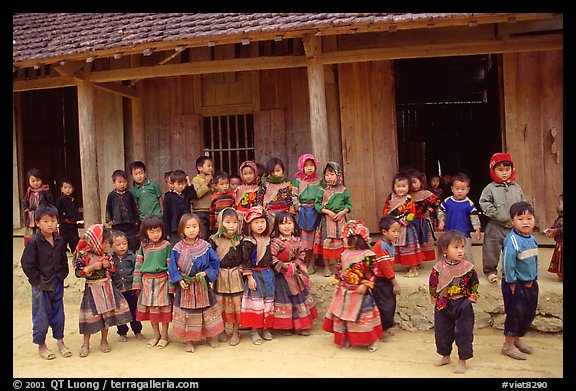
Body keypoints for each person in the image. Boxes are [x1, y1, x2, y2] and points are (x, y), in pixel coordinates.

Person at [20, 205, 72, 360]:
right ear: (37, 223)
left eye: (53, 220)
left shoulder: (60, 240)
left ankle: (60, 342)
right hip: (41, 285)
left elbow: (63, 260)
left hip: (56, 282)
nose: (50, 224)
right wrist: (37, 281)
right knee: (41, 315)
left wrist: (63, 274)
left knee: (59, 314)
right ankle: (41, 345)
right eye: (45, 221)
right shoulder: (34, 242)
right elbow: (27, 264)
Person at [322, 219, 382, 352]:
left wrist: (365, 285)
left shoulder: (369, 255)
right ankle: (348, 337)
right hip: (345, 290)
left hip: (360, 292)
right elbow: (340, 269)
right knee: (344, 316)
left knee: (362, 317)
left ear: (359, 239)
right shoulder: (344, 254)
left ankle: (371, 340)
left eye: (347, 238)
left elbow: (373, 272)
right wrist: (338, 280)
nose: (344, 240)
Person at [168, 213, 225, 352]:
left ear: (199, 228)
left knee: (207, 312)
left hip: (202, 285)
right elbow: (172, 266)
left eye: (194, 226)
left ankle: (210, 337)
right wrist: (178, 279)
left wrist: (206, 273)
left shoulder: (205, 246)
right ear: (182, 230)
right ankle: (189, 340)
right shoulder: (177, 248)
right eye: (188, 227)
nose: (191, 230)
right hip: (186, 287)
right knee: (188, 314)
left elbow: (214, 262)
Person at [73, 224, 132, 357]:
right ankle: (85, 343)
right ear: (95, 241)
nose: (106, 245)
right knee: (89, 316)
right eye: (104, 242)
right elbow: (78, 273)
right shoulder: (82, 255)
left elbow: (113, 269)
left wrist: (109, 266)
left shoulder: (105, 254)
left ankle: (104, 340)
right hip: (91, 289)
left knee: (106, 314)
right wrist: (92, 267)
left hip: (106, 287)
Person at [429, 230, 479, 374]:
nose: (460, 251)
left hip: (462, 304)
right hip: (443, 304)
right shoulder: (438, 267)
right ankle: (445, 356)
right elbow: (433, 283)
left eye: (462, 247)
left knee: (464, 332)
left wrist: (472, 297)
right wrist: (434, 297)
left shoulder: (468, 267)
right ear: (445, 249)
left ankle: (462, 360)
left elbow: (474, 283)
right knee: (442, 331)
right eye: (456, 248)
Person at [479, 152, 526, 283]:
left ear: (512, 169)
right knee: (491, 250)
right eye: (500, 170)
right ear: (493, 170)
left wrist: (522, 218)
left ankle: (508, 271)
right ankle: (490, 271)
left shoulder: (516, 188)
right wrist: (495, 213)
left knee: (512, 250)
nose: (504, 173)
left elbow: (523, 203)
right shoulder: (490, 188)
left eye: (507, 169)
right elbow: (484, 202)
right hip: (495, 226)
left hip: (513, 227)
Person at [500, 201, 539, 360]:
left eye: (529, 218)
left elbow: (534, 261)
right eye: (520, 219)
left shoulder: (532, 239)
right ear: (512, 221)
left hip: (530, 283)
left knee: (528, 313)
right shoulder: (512, 240)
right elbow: (508, 264)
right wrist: (512, 283)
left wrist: (534, 278)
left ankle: (516, 339)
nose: (525, 222)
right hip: (515, 284)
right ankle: (508, 345)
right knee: (514, 314)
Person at [270, 210, 317, 336]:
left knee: (298, 299)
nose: (287, 226)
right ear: (277, 226)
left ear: (294, 224)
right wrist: (283, 265)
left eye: (289, 223)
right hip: (281, 277)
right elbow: (272, 258)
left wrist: (295, 263)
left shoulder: (297, 240)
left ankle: (300, 326)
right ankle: (286, 327)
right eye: (283, 224)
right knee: (285, 300)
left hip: (295, 276)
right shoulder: (275, 242)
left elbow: (302, 253)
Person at [133, 215, 173, 349]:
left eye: (158, 231)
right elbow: (138, 266)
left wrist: (171, 286)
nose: (156, 234)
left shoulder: (167, 246)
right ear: (145, 232)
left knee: (164, 309)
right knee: (152, 310)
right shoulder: (143, 247)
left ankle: (165, 335)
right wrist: (137, 285)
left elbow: (171, 266)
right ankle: (156, 335)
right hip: (147, 283)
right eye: (152, 231)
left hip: (162, 281)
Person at [208, 208, 245, 346]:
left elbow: (245, 258)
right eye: (227, 222)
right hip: (220, 277)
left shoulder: (241, 240)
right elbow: (210, 260)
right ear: (220, 223)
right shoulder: (213, 240)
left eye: (235, 222)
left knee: (236, 305)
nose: (231, 226)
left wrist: (242, 268)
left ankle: (236, 332)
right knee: (220, 305)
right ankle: (221, 330)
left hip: (235, 276)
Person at [240, 206, 276, 345]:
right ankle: (255, 331)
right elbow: (246, 261)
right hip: (255, 275)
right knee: (256, 304)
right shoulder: (248, 241)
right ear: (249, 225)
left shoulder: (268, 239)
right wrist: (249, 277)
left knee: (268, 303)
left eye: (262, 221)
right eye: (256, 222)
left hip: (268, 275)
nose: (260, 225)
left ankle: (266, 328)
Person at [382, 171, 424, 277]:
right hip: (393, 226)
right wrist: (390, 221)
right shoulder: (390, 197)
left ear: (408, 187)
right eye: (398, 186)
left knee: (408, 247)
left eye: (404, 186)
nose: (401, 189)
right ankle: (390, 268)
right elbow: (386, 210)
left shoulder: (409, 199)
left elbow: (412, 213)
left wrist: (402, 222)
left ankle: (413, 269)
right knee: (392, 246)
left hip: (406, 227)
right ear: (394, 187)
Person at [314, 162, 352, 277]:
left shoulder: (343, 190)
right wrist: (327, 212)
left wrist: (342, 212)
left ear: (338, 174)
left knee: (340, 244)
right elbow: (317, 205)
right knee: (327, 243)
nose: (329, 177)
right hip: (327, 220)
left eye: (332, 174)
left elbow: (349, 205)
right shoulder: (322, 190)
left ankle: (339, 267)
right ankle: (326, 267)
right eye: (326, 174)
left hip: (340, 220)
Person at [437, 172, 482, 263]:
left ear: (468, 190)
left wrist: (477, 229)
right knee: (449, 252)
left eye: (463, 189)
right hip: (449, 234)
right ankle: (448, 268)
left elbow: (474, 217)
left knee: (466, 253)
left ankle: (469, 271)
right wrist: (441, 220)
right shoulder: (447, 202)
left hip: (464, 234)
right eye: (457, 189)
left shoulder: (469, 204)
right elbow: (441, 211)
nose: (460, 191)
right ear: (452, 189)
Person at [109, 230, 144, 342]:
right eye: (118, 245)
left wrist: (137, 286)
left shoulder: (132, 257)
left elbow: (137, 271)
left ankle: (137, 331)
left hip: (130, 289)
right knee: (120, 313)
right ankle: (122, 332)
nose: (122, 247)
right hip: (118, 291)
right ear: (111, 246)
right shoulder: (110, 259)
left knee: (134, 311)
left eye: (124, 244)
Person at [371, 215, 401, 340]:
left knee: (389, 304)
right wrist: (395, 283)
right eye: (394, 231)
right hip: (380, 281)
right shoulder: (381, 247)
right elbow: (386, 267)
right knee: (384, 305)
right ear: (384, 232)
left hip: (385, 279)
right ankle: (380, 330)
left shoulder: (389, 244)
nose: (397, 234)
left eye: (398, 231)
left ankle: (383, 328)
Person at [292, 153, 322, 274]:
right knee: (305, 239)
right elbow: (294, 195)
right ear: (302, 167)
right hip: (304, 212)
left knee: (315, 238)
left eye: (311, 165)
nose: (309, 168)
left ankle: (313, 263)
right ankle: (305, 261)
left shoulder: (320, 180)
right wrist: (298, 207)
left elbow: (323, 194)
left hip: (316, 211)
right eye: (306, 165)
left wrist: (318, 206)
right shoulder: (298, 181)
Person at [105, 169, 140, 253]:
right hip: (117, 224)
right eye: (119, 182)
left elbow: (134, 207)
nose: (122, 184)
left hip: (130, 224)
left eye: (124, 182)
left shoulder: (129, 195)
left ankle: (131, 257)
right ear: (114, 183)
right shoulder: (111, 195)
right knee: (117, 240)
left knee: (132, 242)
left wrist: (136, 220)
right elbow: (108, 207)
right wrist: (109, 219)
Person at [409, 169, 441, 262]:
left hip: (423, 221)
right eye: (411, 183)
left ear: (421, 181)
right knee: (413, 241)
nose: (413, 185)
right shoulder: (407, 195)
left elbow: (437, 201)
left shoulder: (426, 194)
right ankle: (415, 260)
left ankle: (421, 260)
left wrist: (430, 209)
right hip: (411, 222)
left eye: (415, 182)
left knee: (423, 241)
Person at [162, 169, 197, 247]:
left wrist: (189, 183)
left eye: (183, 183)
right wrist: (167, 233)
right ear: (173, 184)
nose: (181, 186)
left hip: (187, 225)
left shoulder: (186, 193)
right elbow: (166, 215)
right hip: (175, 227)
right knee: (176, 247)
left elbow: (194, 195)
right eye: (178, 184)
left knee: (189, 245)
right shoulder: (168, 196)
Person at [256, 157, 294, 229]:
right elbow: (259, 196)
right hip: (269, 214)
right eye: (273, 172)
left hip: (284, 213)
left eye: (278, 170)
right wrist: (260, 207)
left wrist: (291, 209)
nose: (275, 174)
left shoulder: (287, 185)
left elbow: (291, 197)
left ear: (283, 170)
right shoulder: (265, 184)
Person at [22, 168, 55, 246]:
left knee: (43, 231)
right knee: (31, 233)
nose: (36, 183)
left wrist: (47, 212)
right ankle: (31, 246)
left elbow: (51, 203)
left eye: (38, 180)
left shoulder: (45, 191)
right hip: (32, 217)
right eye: (33, 181)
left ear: (42, 180)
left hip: (43, 215)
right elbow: (25, 203)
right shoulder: (29, 192)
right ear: (29, 181)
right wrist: (27, 211)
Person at [233, 160, 260, 235]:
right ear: (241, 175)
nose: (248, 176)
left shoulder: (258, 189)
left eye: (250, 173)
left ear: (255, 173)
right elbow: (234, 203)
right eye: (245, 174)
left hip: (254, 216)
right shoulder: (238, 189)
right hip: (240, 216)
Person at [191, 155, 214, 241]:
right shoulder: (195, 180)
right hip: (200, 212)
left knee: (212, 236)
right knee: (202, 236)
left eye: (212, 166)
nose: (211, 168)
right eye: (208, 166)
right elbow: (197, 194)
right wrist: (206, 183)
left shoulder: (211, 180)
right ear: (200, 168)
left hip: (211, 211)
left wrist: (211, 183)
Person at [55, 177, 80, 255]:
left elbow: (76, 210)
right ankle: (63, 253)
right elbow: (57, 211)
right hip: (64, 224)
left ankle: (75, 252)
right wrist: (63, 217)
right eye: (65, 188)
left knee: (74, 239)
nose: (68, 190)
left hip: (73, 224)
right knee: (63, 239)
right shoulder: (60, 200)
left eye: (69, 187)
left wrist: (76, 218)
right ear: (61, 189)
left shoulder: (73, 199)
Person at [545, 193, 563, 281]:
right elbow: (557, 225)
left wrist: (556, 231)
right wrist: (551, 229)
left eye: (559, 203)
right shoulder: (560, 217)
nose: (558, 205)